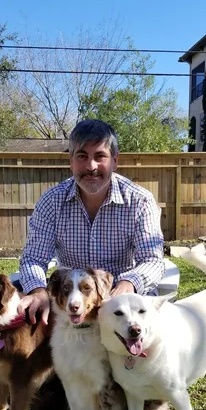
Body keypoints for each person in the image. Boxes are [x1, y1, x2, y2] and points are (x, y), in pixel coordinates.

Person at [17, 119, 165, 325]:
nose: (91, 166)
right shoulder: (51, 201)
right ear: (71, 160)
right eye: (82, 156)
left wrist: (129, 282)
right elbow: (33, 258)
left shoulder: (140, 201)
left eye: (100, 156)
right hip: (73, 308)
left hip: (122, 305)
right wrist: (38, 291)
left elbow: (152, 260)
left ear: (115, 160)